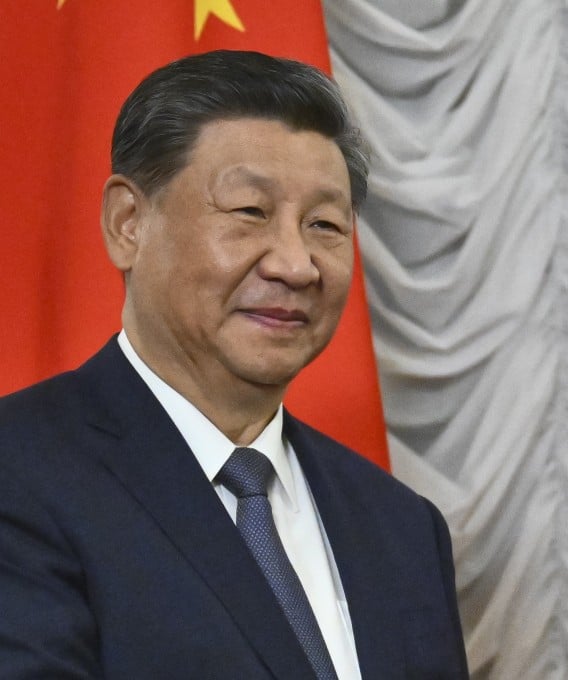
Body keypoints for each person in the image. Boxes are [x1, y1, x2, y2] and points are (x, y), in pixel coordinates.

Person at [0, 50, 468, 679]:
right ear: (128, 223)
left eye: (325, 224)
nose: (296, 265)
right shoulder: (20, 473)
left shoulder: (402, 528)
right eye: (250, 212)